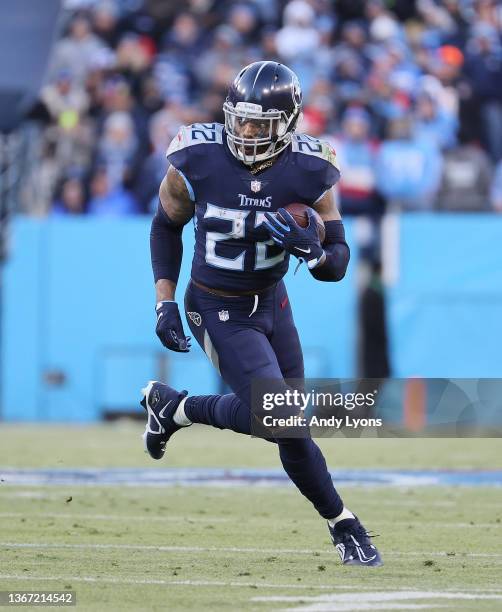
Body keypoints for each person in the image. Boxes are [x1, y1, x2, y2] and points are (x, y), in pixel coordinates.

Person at [141, 61, 382, 567]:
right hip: (215, 303)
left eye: (260, 124)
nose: (246, 133)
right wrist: (164, 299)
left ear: (289, 123)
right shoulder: (198, 156)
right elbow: (166, 226)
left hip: (273, 303)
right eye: (240, 119)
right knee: (285, 418)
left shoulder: (311, 168)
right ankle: (345, 523)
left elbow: (336, 261)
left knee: (290, 428)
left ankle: (174, 408)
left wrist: (311, 250)